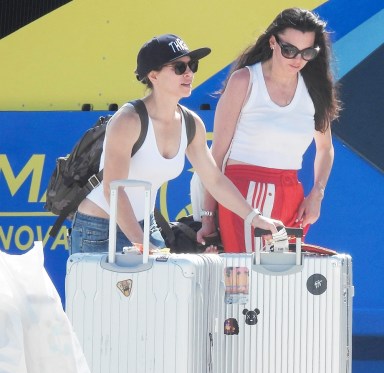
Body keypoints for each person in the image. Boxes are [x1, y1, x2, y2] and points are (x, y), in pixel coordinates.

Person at [69, 34, 283, 255]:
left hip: (145, 226)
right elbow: (113, 190)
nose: (189, 72)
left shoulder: (191, 124)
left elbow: (215, 180)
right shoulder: (128, 120)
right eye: (179, 67)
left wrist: (254, 218)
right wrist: (141, 244)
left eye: (192, 65)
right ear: (153, 75)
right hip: (98, 228)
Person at [196, 7, 341, 253]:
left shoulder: (316, 88)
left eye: (308, 52)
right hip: (242, 193)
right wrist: (208, 216)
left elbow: (325, 148)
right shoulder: (245, 80)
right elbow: (216, 156)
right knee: (245, 283)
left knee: (283, 285)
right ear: (273, 42)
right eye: (289, 50)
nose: (297, 59)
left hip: (291, 195)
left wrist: (317, 193)